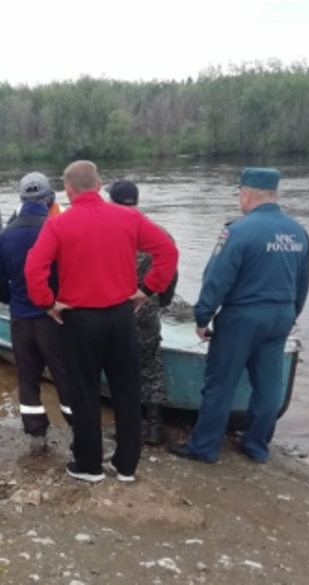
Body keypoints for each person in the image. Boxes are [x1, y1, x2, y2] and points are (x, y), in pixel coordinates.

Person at [25, 161, 179, 483]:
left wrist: (48, 303)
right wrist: (149, 288)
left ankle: (89, 465)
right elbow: (168, 250)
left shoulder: (58, 225)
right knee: (127, 388)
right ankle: (126, 466)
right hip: (122, 316)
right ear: (99, 184)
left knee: (84, 391)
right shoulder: (129, 217)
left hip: (80, 320)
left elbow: (33, 269)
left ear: (67, 190)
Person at [168, 168, 309, 464]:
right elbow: (303, 281)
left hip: (243, 318)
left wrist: (202, 316)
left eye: (239, 194)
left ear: (246, 194)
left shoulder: (238, 231)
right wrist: (290, 313)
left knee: (220, 383)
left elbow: (217, 278)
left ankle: (204, 448)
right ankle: (257, 446)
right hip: (281, 315)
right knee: (269, 385)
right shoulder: (298, 232)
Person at [0, 172, 72, 454]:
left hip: (21, 318)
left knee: (28, 376)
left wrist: (14, 299)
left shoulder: (4, 236)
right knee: (65, 375)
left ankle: (36, 434)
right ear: (50, 200)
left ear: (21, 200)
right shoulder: (58, 230)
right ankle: (78, 431)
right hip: (54, 317)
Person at [108, 180, 178, 445]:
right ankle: (155, 427)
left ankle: (129, 426)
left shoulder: (110, 231)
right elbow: (170, 272)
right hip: (148, 308)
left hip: (118, 310)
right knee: (151, 366)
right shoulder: (157, 232)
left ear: (113, 201)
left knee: (122, 370)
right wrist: (160, 300)